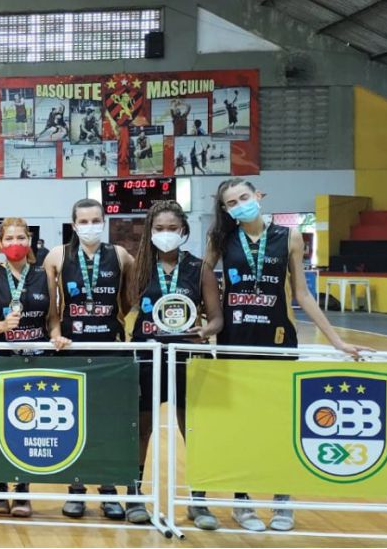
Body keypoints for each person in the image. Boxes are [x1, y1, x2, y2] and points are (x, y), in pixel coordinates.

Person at [207, 178, 367, 532]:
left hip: (278, 341)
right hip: (235, 343)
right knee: (242, 426)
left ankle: (282, 497)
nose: (239, 205)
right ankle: (242, 499)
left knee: (279, 422)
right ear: (226, 210)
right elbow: (205, 282)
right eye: (231, 202)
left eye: (244, 198)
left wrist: (337, 341)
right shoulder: (221, 240)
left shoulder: (289, 237)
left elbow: (303, 295)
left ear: (258, 197)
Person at [125, 201, 223, 527]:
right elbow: (121, 310)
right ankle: (135, 496)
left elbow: (217, 319)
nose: (166, 234)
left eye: (172, 228)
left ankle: (198, 501)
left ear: (184, 231)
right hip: (147, 357)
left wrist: (205, 330)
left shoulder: (200, 269)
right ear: (149, 232)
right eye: (159, 229)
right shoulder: (137, 268)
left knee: (192, 430)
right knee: (141, 429)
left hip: (185, 358)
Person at [42, 199, 132, 519]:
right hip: (72, 349)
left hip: (110, 350)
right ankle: (76, 488)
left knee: (107, 423)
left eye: (96, 219)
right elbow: (52, 310)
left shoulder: (120, 255)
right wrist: (54, 333)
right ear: (74, 223)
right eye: (84, 220)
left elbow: (129, 301)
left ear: (104, 221)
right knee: (74, 422)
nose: (91, 225)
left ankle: (109, 489)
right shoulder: (57, 256)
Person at [0, 217, 68, 517]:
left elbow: (53, 317)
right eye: (9, 239)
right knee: (3, 426)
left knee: (31, 427)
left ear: (30, 241)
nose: (15, 244)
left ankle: (23, 490)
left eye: (20, 238)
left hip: (39, 361)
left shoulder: (44, 275)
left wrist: (56, 336)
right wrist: (1, 324)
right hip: (5, 362)